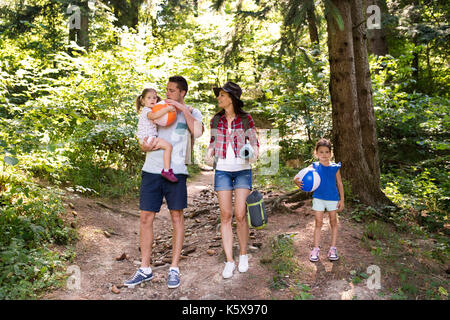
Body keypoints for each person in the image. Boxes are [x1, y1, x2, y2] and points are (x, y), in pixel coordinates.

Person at [124, 76, 204, 289]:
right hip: (151, 170)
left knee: (177, 216)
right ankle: (145, 269)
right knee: (145, 218)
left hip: (176, 171)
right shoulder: (157, 107)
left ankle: (174, 268)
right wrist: (144, 146)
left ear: (182, 93)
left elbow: (197, 132)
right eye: (166, 90)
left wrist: (181, 109)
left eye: (171, 91)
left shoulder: (193, 112)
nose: (166, 94)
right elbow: (144, 135)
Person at [205, 81, 259, 279]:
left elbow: (255, 144)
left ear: (232, 98)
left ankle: (243, 254)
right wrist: (209, 153)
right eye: (218, 95)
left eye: (222, 95)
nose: (218, 98)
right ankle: (229, 260)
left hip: (243, 171)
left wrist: (253, 154)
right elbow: (212, 143)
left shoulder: (246, 119)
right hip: (222, 171)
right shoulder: (215, 120)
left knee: (240, 214)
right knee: (226, 216)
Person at [294, 138, 345, 262]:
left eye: (327, 152)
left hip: (333, 198)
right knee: (318, 223)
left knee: (333, 222)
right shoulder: (314, 166)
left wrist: (342, 200)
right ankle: (316, 249)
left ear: (331, 153)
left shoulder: (335, 167)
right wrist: (296, 181)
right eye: (321, 152)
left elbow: (340, 183)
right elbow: (298, 176)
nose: (324, 155)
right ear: (316, 153)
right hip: (318, 198)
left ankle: (333, 248)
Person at [136, 88, 178, 182]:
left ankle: (166, 170)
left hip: (147, 138)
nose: (152, 100)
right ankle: (166, 171)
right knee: (168, 146)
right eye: (149, 98)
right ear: (143, 100)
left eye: (154, 98)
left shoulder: (152, 110)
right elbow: (154, 116)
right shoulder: (146, 110)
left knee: (167, 146)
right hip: (147, 138)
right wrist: (167, 109)